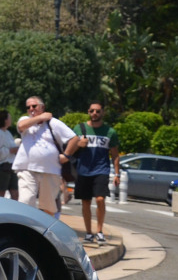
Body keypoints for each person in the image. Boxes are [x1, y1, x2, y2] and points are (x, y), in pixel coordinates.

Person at [11, 96, 76, 218]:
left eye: (34, 106)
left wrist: (66, 155)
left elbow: (74, 138)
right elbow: (21, 126)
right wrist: (40, 117)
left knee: (47, 207)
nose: (31, 109)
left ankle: (44, 233)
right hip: (27, 169)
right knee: (25, 201)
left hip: (50, 170)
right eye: (28, 107)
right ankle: (25, 231)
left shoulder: (53, 123)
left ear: (42, 107)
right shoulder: (25, 120)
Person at [66, 102, 121, 244]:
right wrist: (78, 144)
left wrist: (117, 174)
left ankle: (100, 231)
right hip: (83, 171)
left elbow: (115, 155)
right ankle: (89, 232)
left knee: (100, 199)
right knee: (85, 202)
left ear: (103, 112)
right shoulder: (79, 128)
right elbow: (69, 148)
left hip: (101, 170)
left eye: (97, 111)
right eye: (92, 111)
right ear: (88, 112)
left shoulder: (110, 132)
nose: (94, 113)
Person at [0, 110, 20, 200]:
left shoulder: (7, 133)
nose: (11, 119)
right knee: (1, 192)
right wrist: (11, 150)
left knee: (15, 192)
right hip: (1, 166)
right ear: (5, 120)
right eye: (9, 118)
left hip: (10, 166)